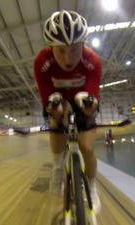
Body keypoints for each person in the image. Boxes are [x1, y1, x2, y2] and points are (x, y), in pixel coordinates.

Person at [34, 10, 102, 213]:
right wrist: (55, 108)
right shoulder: (41, 63)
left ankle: (91, 187)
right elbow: (47, 95)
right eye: (61, 50)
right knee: (56, 119)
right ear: (50, 47)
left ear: (83, 44)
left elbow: (92, 95)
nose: (68, 58)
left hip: (83, 96)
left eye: (74, 50)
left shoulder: (93, 61)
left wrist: (88, 108)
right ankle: (57, 167)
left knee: (87, 148)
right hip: (58, 96)